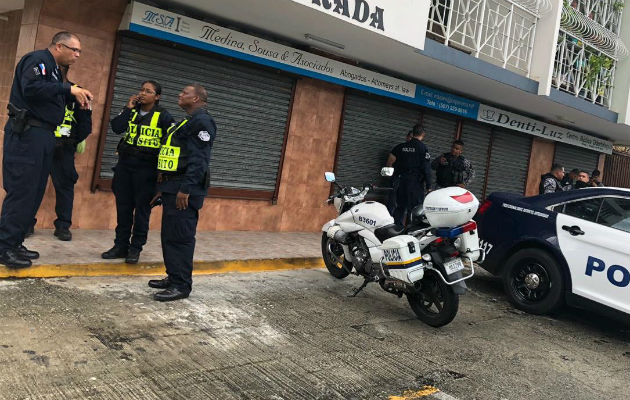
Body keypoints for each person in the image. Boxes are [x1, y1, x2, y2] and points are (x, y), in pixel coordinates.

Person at [0, 31, 92, 268]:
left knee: (34, 192)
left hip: (44, 135)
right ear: (59, 47)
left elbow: (50, 94)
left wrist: (75, 95)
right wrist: (67, 90)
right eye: (75, 50)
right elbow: (32, 88)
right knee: (21, 191)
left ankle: (15, 242)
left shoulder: (54, 69)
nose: (77, 55)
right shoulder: (38, 60)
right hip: (28, 134)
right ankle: (4, 247)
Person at [148, 84, 216, 302]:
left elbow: (199, 160)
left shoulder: (202, 122)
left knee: (181, 237)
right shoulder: (187, 120)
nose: (179, 95)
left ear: (196, 99)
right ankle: (173, 276)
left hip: (184, 190)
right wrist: (164, 187)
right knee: (170, 236)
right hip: (172, 186)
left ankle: (181, 285)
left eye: (185, 93)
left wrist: (185, 189)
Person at [102, 80, 175, 264]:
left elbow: (172, 142)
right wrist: (127, 108)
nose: (142, 93)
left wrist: (163, 173)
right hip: (125, 167)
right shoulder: (132, 111)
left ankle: (135, 249)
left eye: (148, 91)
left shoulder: (164, 116)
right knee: (123, 208)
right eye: (142, 90)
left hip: (147, 170)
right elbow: (117, 127)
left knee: (142, 211)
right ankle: (120, 246)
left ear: (156, 97)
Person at [29, 65, 92, 241]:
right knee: (34, 185)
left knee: (65, 187)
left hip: (64, 148)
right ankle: (27, 223)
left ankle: (63, 226)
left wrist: (71, 141)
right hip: (41, 144)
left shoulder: (79, 92)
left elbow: (86, 124)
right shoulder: (43, 91)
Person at [386, 124, 431, 226]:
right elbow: (426, 169)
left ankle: (397, 228)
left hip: (401, 182)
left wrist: (392, 178)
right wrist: (429, 186)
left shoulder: (400, 147)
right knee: (415, 209)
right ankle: (410, 231)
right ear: (423, 134)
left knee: (400, 206)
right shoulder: (423, 148)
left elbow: (389, 162)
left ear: (413, 132)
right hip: (415, 184)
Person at [387, 130, 412, 215]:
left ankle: (399, 223)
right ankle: (389, 218)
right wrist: (391, 175)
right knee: (392, 200)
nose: (411, 139)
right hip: (397, 177)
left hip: (409, 180)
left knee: (404, 202)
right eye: (410, 137)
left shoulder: (418, 150)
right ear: (407, 137)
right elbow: (390, 161)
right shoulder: (399, 147)